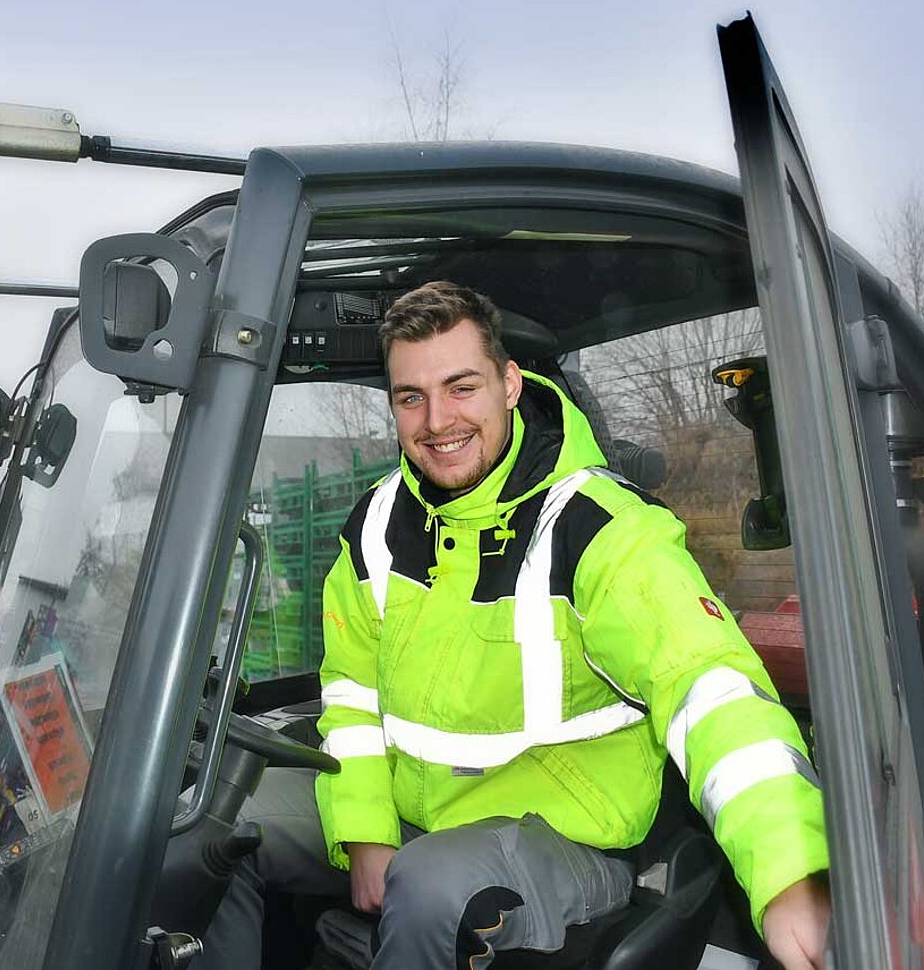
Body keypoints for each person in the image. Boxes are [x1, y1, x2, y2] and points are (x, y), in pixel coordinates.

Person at [198, 281, 831, 970]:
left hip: (569, 836)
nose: (437, 420)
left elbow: (711, 690)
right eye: (411, 397)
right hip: (419, 813)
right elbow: (353, 693)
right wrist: (363, 830)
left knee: (433, 887)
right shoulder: (378, 527)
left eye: (461, 386)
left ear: (507, 382)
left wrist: (790, 872)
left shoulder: (598, 530)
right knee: (206, 824)